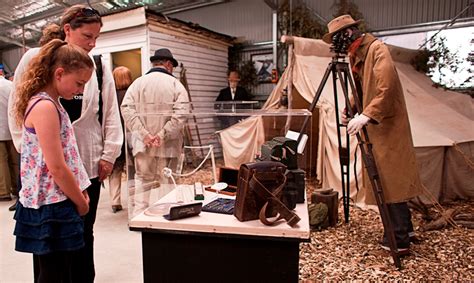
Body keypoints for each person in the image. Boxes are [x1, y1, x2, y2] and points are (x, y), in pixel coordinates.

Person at [8, 5, 123, 282]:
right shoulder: (37, 66)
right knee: (51, 249)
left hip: (85, 164)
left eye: (96, 37)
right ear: (68, 29)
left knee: (81, 235)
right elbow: (16, 108)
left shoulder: (96, 67)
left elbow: (109, 112)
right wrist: (30, 152)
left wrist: (109, 154)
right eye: (87, 36)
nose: (92, 43)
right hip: (50, 183)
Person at [323, 15, 422, 254]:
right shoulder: (358, 54)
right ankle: (405, 230)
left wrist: (366, 115)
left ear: (348, 34)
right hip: (378, 127)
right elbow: (359, 86)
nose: (338, 45)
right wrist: (351, 108)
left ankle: (398, 240)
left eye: (338, 38)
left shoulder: (377, 50)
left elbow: (386, 88)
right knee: (391, 179)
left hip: (387, 126)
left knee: (388, 181)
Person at [12, 39, 92, 283]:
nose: (80, 91)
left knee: (56, 271)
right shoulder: (45, 107)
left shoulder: (50, 103)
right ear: (59, 73)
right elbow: (56, 167)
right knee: (55, 274)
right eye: (79, 83)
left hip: (55, 200)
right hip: (52, 204)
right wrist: (80, 201)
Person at [121, 48, 189, 216]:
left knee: (143, 181)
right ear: (167, 64)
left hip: (143, 145)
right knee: (167, 183)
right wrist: (161, 136)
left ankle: (140, 218)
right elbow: (181, 115)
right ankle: (166, 218)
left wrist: (144, 135)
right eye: (172, 65)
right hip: (169, 146)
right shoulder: (176, 85)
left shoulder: (137, 84)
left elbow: (127, 110)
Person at [108, 66, 133, 213]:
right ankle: (134, 199)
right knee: (133, 170)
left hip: (116, 137)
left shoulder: (111, 97)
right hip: (130, 137)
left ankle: (115, 201)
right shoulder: (132, 96)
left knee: (115, 171)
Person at [0, 68, 19, 203]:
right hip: (12, 128)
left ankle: (4, 191)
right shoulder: (10, 85)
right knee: (15, 162)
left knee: (1, 163)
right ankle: (17, 188)